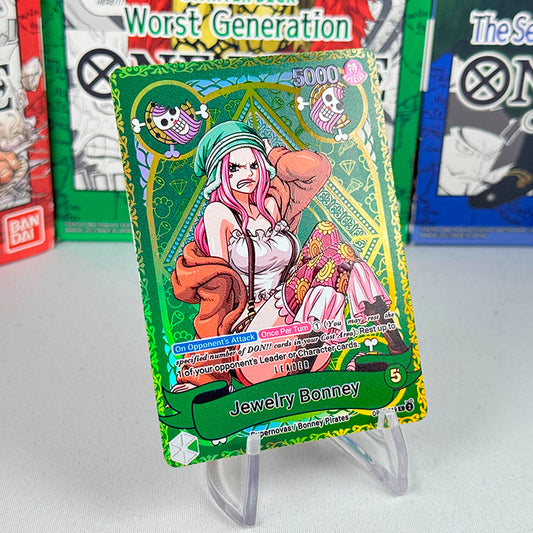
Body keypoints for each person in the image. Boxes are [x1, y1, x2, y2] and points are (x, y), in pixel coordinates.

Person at [171, 121, 407, 389]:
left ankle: (393, 344)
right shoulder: (218, 214)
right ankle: (390, 346)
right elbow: (220, 288)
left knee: (328, 234)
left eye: (254, 165)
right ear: (220, 173)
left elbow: (318, 169)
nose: (247, 174)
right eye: (234, 168)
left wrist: (271, 152)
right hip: (254, 340)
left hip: (295, 329)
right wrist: (204, 371)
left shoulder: (272, 204)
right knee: (332, 259)